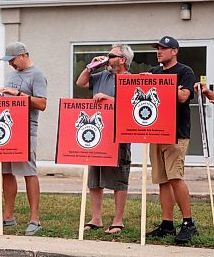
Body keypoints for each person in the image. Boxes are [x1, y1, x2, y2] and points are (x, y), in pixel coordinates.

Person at [0, 41, 47, 236]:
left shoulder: (37, 75)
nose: (10, 64)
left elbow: (41, 103)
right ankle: (8, 218)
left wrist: (18, 94)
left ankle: (35, 219)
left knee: (29, 172)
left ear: (23, 55)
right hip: (7, 131)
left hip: (27, 130)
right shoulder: (11, 75)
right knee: (6, 172)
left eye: (12, 60)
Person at [75, 44, 134, 235]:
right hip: (97, 134)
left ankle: (118, 221)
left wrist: (108, 99)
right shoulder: (103, 76)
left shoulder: (130, 80)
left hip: (119, 135)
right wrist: (90, 67)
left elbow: (132, 104)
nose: (107, 58)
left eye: (111, 55)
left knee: (119, 178)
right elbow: (81, 83)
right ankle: (96, 218)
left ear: (123, 60)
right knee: (95, 178)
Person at [145, 36, 198, 244]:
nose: (159, 51)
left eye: (164, 48)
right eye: (158, 48)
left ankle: (188, 223)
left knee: (175, 177)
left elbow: (183, 96)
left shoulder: (185, 72)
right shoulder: (154, 71)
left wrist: (155, 84)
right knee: (162, 180)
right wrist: (143, 80)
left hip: (176, 133)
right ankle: (167, 223)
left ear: (174, 51)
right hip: (155, 132)